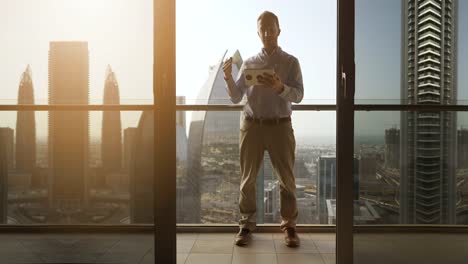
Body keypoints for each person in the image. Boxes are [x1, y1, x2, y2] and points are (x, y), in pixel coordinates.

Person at [223, 10, 304, 247]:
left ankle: (289, 226)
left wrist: (281, 87)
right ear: (258, 33)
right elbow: (236, 97)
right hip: (252, 126)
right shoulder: (248, 63)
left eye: (271, 28)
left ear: (279, 30)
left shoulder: (291, 62)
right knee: (248, 179)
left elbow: (299, 95)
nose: (267, 32)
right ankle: (246, 225)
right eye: (263, 29)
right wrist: (228, 78)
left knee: (286, 180)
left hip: (280, 126)